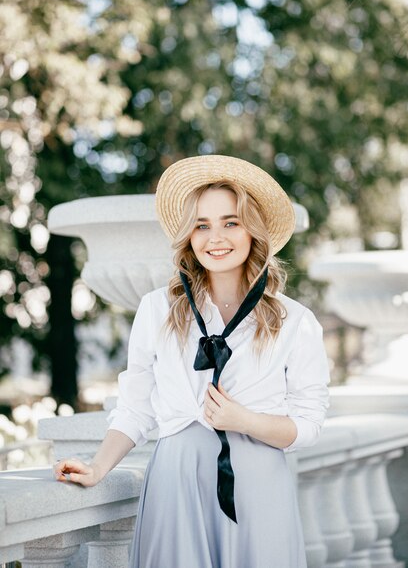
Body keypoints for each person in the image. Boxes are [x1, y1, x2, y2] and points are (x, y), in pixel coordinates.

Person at [54, 154, 330, 568]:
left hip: (258, 487)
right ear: (188, 235)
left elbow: (308, 425)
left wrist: (245, 421)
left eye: (230, 222)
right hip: (176, 482)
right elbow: (136, 408)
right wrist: (97, 468)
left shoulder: (295, 322)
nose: (215, 237)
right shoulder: (156, 309)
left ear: (253, 231)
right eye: (202, 225)